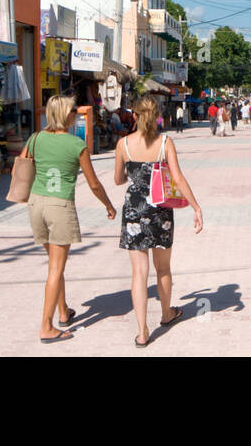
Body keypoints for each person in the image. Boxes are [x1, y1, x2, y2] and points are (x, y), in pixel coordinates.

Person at [24, 94, 116, 343]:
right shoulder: (77, 145)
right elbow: (94, 184)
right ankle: (46, 326)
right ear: (67, 114)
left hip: (36, 204)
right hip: (59, 206)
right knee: (56, 268)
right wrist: (108, 205)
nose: (77, 113)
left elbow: (17, 169)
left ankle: (63, 311)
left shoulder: (35, 138)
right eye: (74, 110)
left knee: (54, 263)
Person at [115, 97, 204, 347]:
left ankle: (142, 332)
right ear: (156, 115)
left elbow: (117, 179)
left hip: (133, 210)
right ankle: (166, 313)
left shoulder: (123, 144)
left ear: (134, 115)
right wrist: (195, 207)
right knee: (163, 268)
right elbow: (178, 177)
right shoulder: (165, 142)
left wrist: (133, 176)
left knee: (138, 273)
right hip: (160, 211)